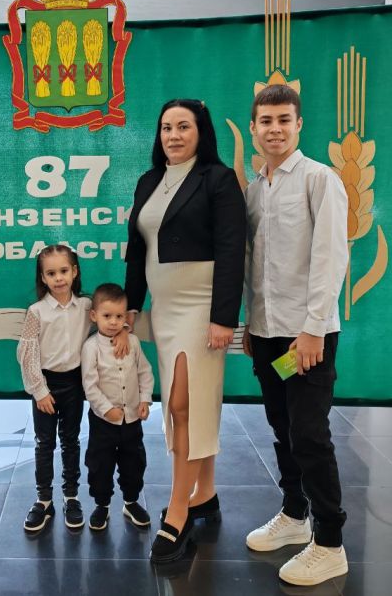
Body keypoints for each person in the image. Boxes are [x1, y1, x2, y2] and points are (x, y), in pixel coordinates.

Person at [124, 99, 246, 563]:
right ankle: (204, 492)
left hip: (202, 306)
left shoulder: (217, 179)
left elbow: (232, 249)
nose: (173, 135)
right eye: (166, 127)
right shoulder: (149, 180)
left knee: (183, 403)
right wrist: (133, 304)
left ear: (200, 132)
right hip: (165, 307)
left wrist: (223, 317)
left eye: (183, 127)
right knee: (191, 402)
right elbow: (138, 249)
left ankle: (178, 512)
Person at [243, 83, 349, 586]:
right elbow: (254, 265)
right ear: (253, 128)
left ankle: (329, 542)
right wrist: (251, 323)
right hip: (268, 335)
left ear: (299, 124)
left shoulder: (319, 179)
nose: (275, 129)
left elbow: (331, 258)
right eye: (266, 121)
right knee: (282, 426)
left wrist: (313, 330)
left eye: (284, 119)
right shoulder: (254, 189)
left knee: (309, 433)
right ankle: (293, 513)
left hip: (305, 339)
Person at [17, 245, 129, 532]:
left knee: (71, 440)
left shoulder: (86, 306)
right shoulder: (37, 312)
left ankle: (71, 496)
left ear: (75, 272)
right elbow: (28, 353)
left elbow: (110, 316)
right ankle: (44, 500)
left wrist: (125, 331)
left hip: (74, 384)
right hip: (46, 385)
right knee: (44, 442)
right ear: (43, 278)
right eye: (51, 273)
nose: (59, 278)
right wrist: (39, 390)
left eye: (64, 271)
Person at [81, 283, 154, 532]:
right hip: (103, 422)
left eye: (119, 316)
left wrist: (144, 400)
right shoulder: (91, 347)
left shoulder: (132, 342)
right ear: (94, 316)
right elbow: (90, 385)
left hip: (131, 419)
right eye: (107, 316)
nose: (113, 322)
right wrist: (106, 409)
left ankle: (131, 502)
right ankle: (101, 505)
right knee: (100, 464)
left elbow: (145, 372)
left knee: (134, 462)